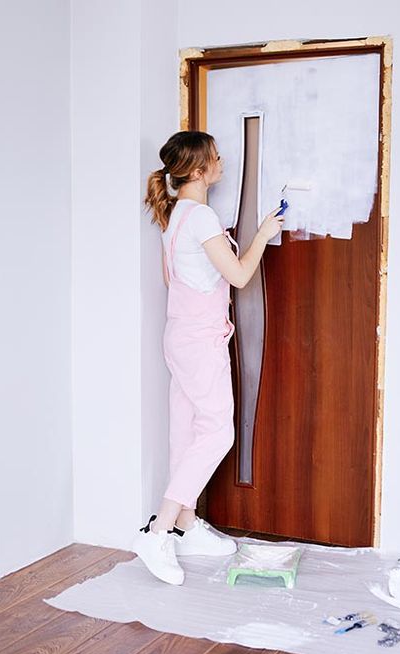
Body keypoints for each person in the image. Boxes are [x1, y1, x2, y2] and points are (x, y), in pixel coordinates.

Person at [135, 130, 284, 585]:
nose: (221, 164)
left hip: (179, 336)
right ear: (199, 171)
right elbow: (239, 276)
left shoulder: (175, 216)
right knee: (218, 430)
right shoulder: (199, 217)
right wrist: (261, 233)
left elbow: (173, 281)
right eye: (216, 159)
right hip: (199, 341)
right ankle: (158, 530)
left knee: (187, 432)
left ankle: (185, 524)